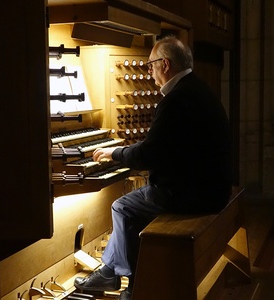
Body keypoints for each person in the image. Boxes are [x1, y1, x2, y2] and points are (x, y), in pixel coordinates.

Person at [74, 36, 232, 300]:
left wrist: (115, 152)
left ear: (165, 65)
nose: (149, 72)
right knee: (137, 199)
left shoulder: (176, 99)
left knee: (123, 207)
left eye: (150, 66)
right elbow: (168, 148)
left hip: (194, 195)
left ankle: (130, 282)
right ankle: (113, 270)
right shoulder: (198, 90)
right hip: (211, 187)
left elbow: (150, 153)